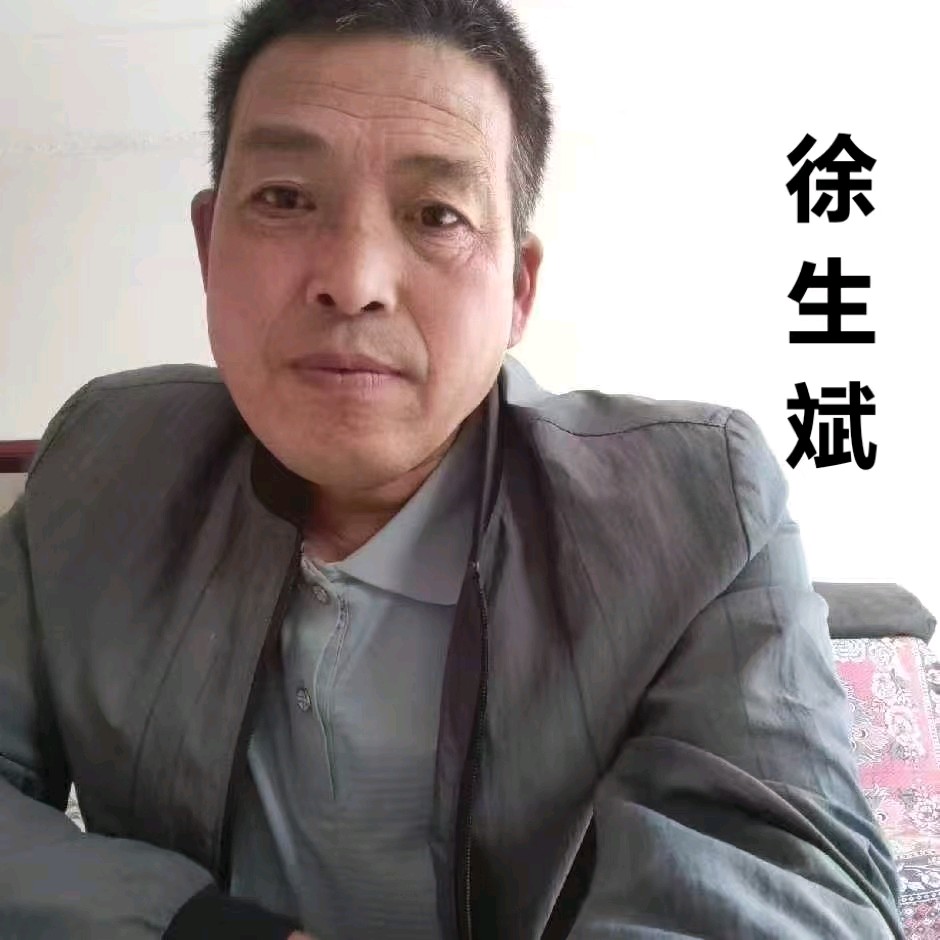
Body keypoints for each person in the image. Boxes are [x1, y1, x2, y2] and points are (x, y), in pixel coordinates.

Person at [0, 1, 904, 938]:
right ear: (206, 245)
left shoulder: (695, 510)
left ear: (517, 291)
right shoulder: (103, 466)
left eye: (437, 214)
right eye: (284, 198)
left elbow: (792, 893)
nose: (354, 281)